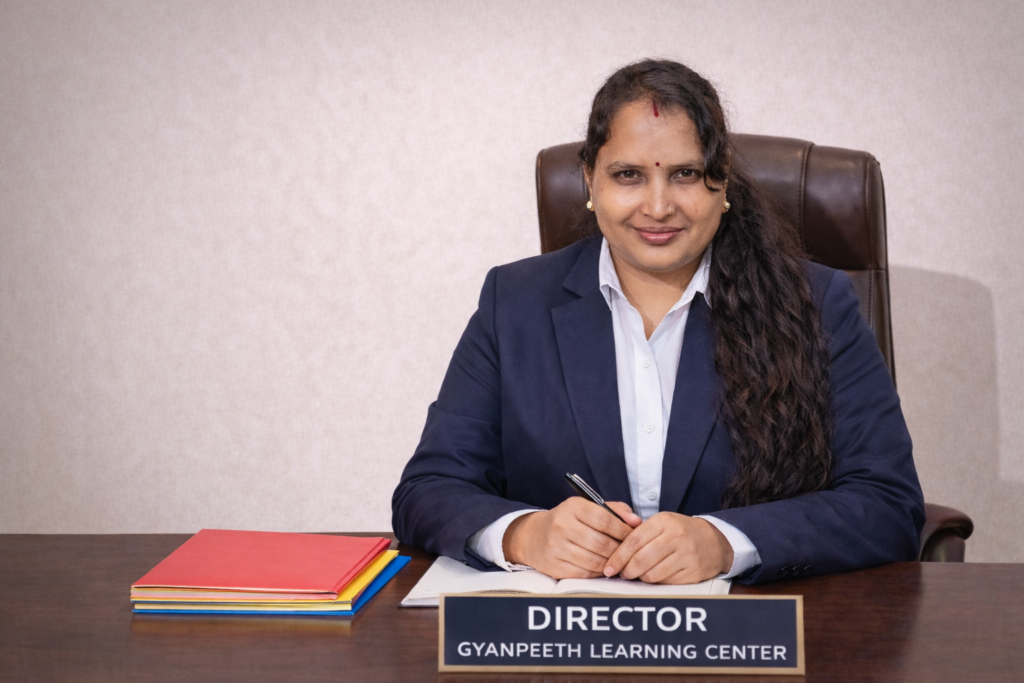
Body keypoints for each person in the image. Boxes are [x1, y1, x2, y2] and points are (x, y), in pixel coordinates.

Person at [391, 59, 924, 585]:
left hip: (751, 638)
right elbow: (429, 489)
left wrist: (724, 543)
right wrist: (525, 535)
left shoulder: (816, 302)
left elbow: (886, 502)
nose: (659, 204)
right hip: (567, 638)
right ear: (590, 181)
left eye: (685, 174)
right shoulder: (514, 303)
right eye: (629, 175)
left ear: (723, 182)